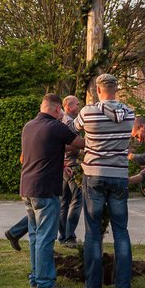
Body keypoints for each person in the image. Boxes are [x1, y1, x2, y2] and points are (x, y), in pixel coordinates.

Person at [74, 73, 134, 288]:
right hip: (119, 175)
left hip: (94, 174)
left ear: (98, 90)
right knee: (121, 231)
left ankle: (93, 285)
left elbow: (73, 128)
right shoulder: (130, 113)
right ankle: (123, 285)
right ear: (116, 89)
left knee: (93, 232)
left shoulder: (88, 112)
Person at [20, 93, 82, 288]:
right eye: (61, 111)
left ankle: (35, 277)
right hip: (45, 190)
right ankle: (46, 283)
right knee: (46, 238)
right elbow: (80, 143)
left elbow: (40, 152)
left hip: (27, 188)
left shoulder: (29, 126)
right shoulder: (56, 126)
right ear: (57, 109)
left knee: (35, 236)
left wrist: (60, 163)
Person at [58, 94, 83, 247]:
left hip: (63, 165)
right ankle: (69, 236)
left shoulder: (61, 121)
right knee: (77, 199)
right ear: (68, 106)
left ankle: (63, 236)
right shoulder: (69, 123)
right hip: (70, 166)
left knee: (64, 202)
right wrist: (82, 148)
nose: (79, 107)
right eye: (76, 104)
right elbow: (66, 144)